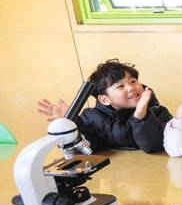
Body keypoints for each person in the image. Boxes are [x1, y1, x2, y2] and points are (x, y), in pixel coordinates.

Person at [37, 59, 171, 153]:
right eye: (120, 86)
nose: (131, 88)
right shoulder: (91, 117)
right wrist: (72, 122)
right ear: (105, 99)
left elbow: (153, 145)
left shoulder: (157, 112)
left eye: (133, 81)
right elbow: (89, 148)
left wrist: (140, 116)